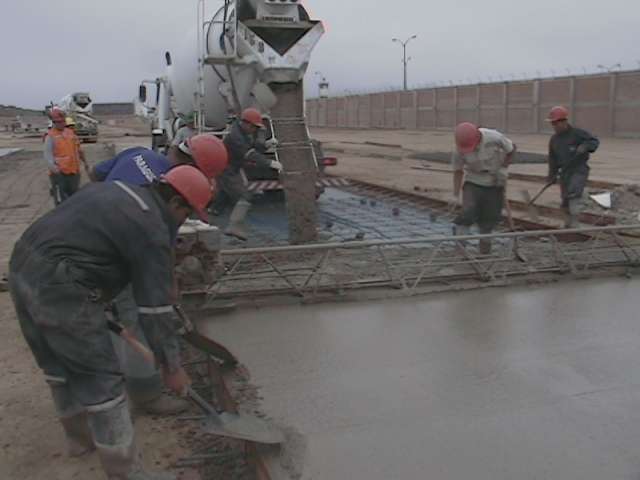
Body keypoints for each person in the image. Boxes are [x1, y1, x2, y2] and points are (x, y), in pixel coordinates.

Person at [8, 165, 212, 480]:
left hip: (23, 265)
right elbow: (155, 310)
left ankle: (80, 440)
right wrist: (172, 367)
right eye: (187, 214)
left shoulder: (114, 189)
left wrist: (97, 301)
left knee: (57, 365)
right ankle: (127, 473)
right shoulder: (151, 227)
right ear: (174, 204)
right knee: (103, 379)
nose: (184, 222)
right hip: (62, 283)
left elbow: (90, 245)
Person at [90, 135, 227, 415]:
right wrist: (167, 288)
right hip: (119, 253)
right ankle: (146, 394)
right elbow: (159, 245)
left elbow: (96, 173)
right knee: (138, 319)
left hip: (91, 235)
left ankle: (114, 372)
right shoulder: (175, 191)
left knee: (110, 316)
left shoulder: (137, 153)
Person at [450, 122, 516, 254]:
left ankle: (484, 254)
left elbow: (512, 149)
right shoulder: (459, 148)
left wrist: (503, 168)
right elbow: (458, 171)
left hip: (494, 181)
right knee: (467, 214)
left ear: (478, 138)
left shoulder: (494, 137)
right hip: (473, 181)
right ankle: (460, 253)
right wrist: (455, 195)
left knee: (489, 219)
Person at [221, 107, 282, 240]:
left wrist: (266, 144)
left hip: (233, 168)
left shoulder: (243, 133)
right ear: (246, 123)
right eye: (254, 127)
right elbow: (249, 153)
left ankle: (220, 219)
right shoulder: (235, 136)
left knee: (222, 201)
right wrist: (270, 163)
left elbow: (253, 146)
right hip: (226, 169)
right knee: (244, 196)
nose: (255, 130)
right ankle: (233, 226)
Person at [546, 106, 600, 227]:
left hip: (579, 169)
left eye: (556, 123)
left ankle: (575, 223)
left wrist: (586, 146)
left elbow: (594, 142)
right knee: (565, 200)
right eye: (552, 123)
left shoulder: (578, 134)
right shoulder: (554, 140)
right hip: (564, 172)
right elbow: (552, 160)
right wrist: (551, 176)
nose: (554, 126)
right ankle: (568, 224)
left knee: (574, 193)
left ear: (564, 121)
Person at [44, 108, 88, 205]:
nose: (61, 123)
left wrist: (85, 163)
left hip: (74, 172)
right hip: (60, 174)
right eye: (58, 122)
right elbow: (48, 157)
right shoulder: (50, 136)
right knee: (61, 202)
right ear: (54, 122)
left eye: (62, 121)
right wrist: (55, 170)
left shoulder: (70, 133)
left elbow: (79, 149)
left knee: (74, 199)